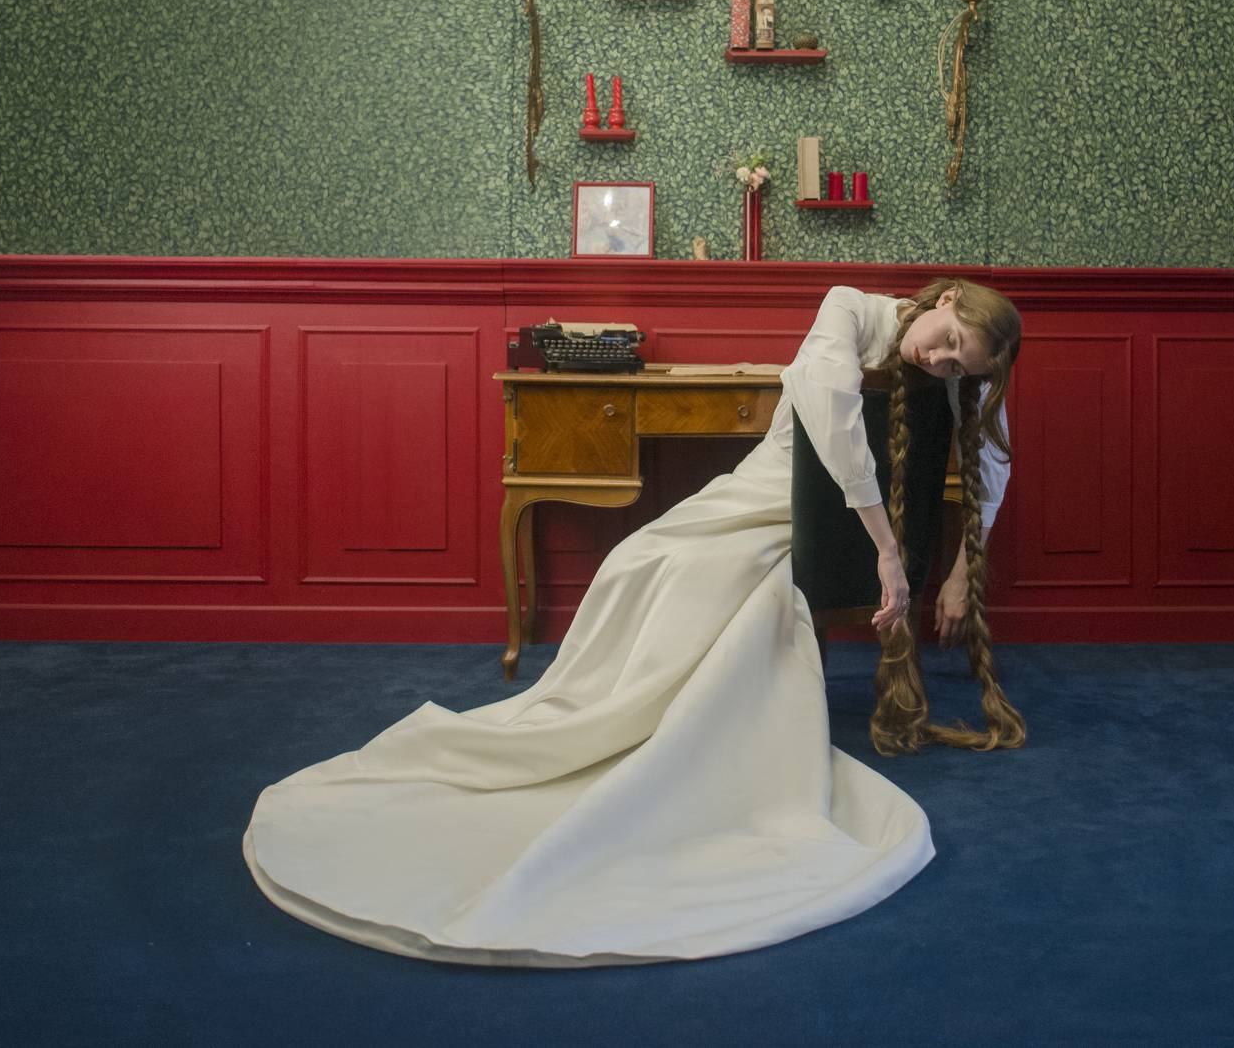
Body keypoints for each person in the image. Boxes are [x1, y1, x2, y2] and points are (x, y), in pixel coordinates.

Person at [243, 278, 1023, 967]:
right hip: (779, 503)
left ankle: (669, 727)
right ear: (947, 298)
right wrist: (892, 551)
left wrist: (951, 570)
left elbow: (983, 457)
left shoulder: (949, 372)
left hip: (829, 531)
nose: (939, 361)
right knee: (641, 559)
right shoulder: (850, 309)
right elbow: (831, 413)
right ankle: (614, 711)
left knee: (689, 573)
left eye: (958, 365)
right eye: (946, 342)